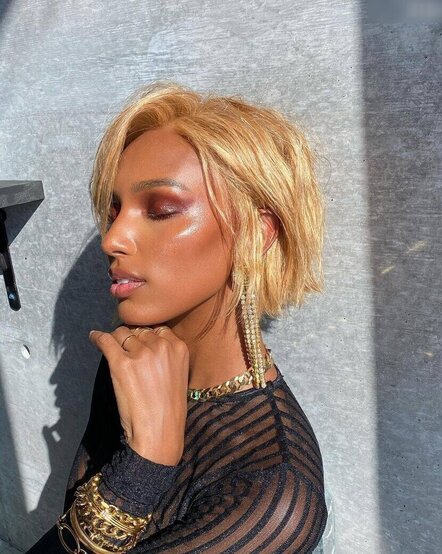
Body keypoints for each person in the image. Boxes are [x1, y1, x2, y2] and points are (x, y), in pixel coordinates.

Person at [26, 82, 328, 553]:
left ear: (255, 233)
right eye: (115, 210)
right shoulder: (133, 360)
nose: (112, 239)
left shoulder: (275, 497)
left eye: (161, 210)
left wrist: (143, 469)